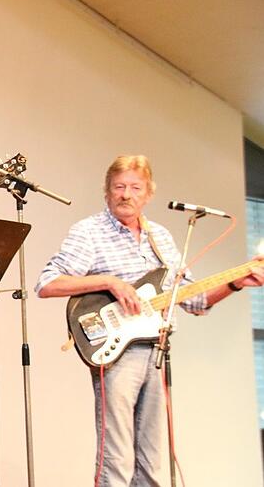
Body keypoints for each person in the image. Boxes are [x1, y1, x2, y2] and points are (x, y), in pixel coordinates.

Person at [35, 155, 264, 487]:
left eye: (134, 187)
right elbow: (48, 283)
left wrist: (235, 282)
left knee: (153, 461)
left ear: (148, 194)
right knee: (116, 459)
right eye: (119, 187)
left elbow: (193, 300)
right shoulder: (89, 231)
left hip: (156, 351)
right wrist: (109, 282)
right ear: (107, 191)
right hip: (116, 354)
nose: (126, 194)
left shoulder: (161, 237)